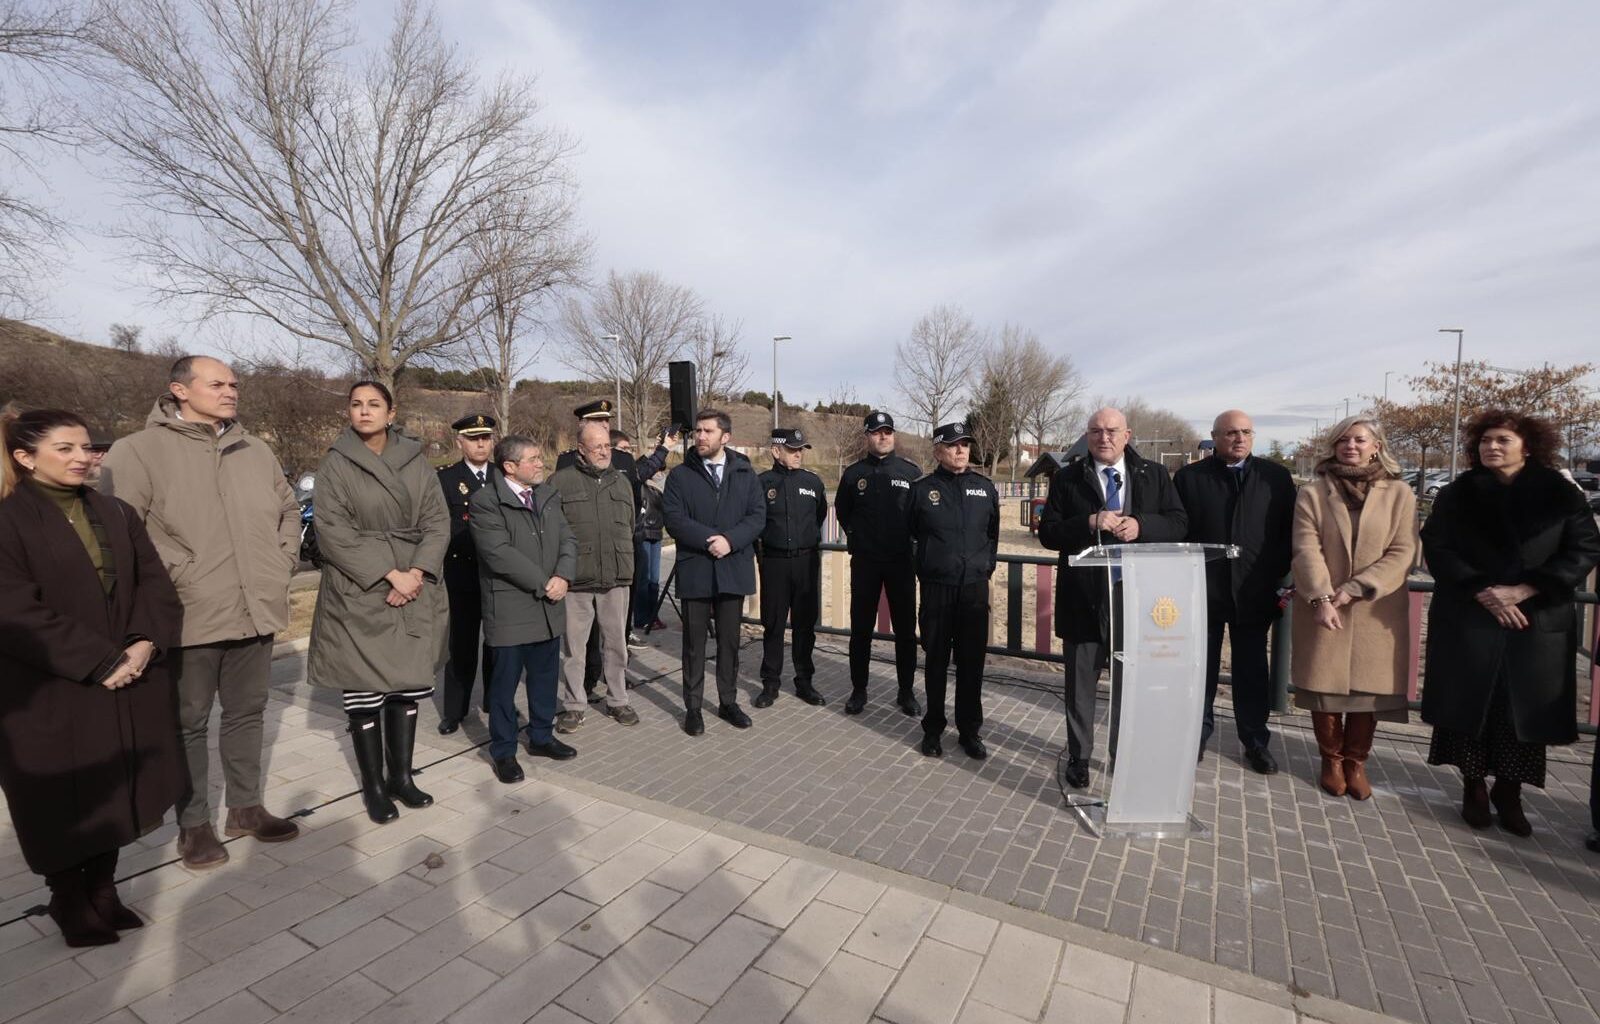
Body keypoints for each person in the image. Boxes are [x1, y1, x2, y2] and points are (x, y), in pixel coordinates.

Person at [101, 355, 302, 869]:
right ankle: (193, 825)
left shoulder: (254, 448)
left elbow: (286, 509)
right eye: (218, 384)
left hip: (255, 606)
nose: (231, 391)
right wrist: (179, 571)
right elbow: (122, 533)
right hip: (188, 613)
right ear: (180, 390)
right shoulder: (138, 452)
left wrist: (279, 563)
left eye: (235, 383)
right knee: (187, 722)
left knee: (247, 712)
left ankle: (246, 808)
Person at [0, 410, 183, 946]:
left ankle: (104, 888)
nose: (83, 457)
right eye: (65, 448)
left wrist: (145, 641)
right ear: (25, 457)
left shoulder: (116, 511)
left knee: (117, 785)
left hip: (128, 677)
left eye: (86, 446)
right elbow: (12, 610)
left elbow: (154, 582)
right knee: (58, 797)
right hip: (48, 687)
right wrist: (101, 661)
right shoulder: (8, 521)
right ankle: (68, 897)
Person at [1421, 410, 1600, 834]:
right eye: (1485, 440)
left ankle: (1509, 790)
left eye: (1502, 439)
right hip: (1471, 615)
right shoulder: (1457, 494)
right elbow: (1438, 548)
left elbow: (1584, 550)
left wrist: (1526, 589)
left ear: (1527, 445)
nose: (1491, 447)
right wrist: (1482, 589)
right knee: (1471, 703)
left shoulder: (1561, 494)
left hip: (1533, 620)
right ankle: (1472, 787)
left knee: (1520, 708)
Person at [305, 382, 450, 824]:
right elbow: (332, 530)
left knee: (407, 685)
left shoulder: (417, 461)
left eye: (374, 405)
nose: (364, 412)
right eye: (356, 405)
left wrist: (417, 573)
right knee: (365, 690)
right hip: (360, 586)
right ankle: (373, 785)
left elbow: (437, 521)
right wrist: (390, 573)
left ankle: (401, 777)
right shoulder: (335, 465)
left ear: (391, 412)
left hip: (414, 582)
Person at [1037, 407, 1187, 788]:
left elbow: (1179, 523)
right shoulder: (1068, 478)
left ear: (1127, 435)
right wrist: (1088, 522)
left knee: (1130, 685)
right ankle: (1079, 757)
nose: (1103, 437)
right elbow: (1049, 533)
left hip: (1137, 600)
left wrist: (1142, 526)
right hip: (1083, 598)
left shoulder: (1153, 475)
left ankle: (1124, 755)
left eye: (1111, 431)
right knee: (1080, 687)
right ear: (1087, 436)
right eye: (1095, 431)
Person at [1290, 415, 1417, 801]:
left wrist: (1356, 588)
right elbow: (1305, 547)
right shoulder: (1314, 493)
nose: (1351, 446)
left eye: (1360, 440)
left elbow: (1404, 550)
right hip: (1323, 606)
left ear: (1376, 445)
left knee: (1367, 689)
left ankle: (1356, 762)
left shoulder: (1399, 494)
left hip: (1375, 607)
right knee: (1325, 686)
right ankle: (1330, 760)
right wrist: (1323, 596)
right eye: (1343, 440)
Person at [1173, 410, 1296, 774]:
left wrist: (1278, 578)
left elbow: (1288, 533)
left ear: (1253, 436)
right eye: (1230, 433)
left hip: (1254, 593)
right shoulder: (1189, 478)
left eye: (1245, 432)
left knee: (1252, 672)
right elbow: (1178, 531)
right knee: (1200, 671)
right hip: (1203, 593)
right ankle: (1195, 736)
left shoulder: (1275, 477)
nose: (1238, 439)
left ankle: (1255, 741)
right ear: (1214, 437)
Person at [470, 436, 578, 782]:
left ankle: (542, 736)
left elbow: (567, 539)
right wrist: (544, 582)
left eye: (539, 456)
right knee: (504, 688)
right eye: (532, 459)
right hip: (512, 608)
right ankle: (503, 751)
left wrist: (564, 574)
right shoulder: (487, 501)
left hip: (549, 606)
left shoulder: (546, 494)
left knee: (545, 679)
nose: (540, 463)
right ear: (510, 467)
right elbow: (498, 553)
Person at [556, 402, 674, 698]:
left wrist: (664, 448)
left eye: (607, 421)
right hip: (582, 563)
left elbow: (630, 505)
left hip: (619, 557)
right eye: (597, 420)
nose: (605, 425)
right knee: (582, 636)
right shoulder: (565, 464)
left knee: (615, 631)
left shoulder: (621, 459)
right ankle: (586, 680)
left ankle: (616, 687)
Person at [662, 408, 765, 735]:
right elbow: (675, 519)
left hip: (732, 568)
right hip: (697, 568)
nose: (701, 437)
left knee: (730, 643)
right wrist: (711, 541)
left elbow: (757, 516)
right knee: (694, 644)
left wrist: (730, 541)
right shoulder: (681, 475)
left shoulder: (745, 472)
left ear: (726, 436)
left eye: (708, 431)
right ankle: (693, 707)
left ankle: (728, 701)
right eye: (698, 431)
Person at [908, 422, 1000, 758]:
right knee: (935, 662)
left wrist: (983, 568)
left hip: (973, 591)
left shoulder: (985, 488)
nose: (961, 451)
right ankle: (933, 729)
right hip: (936, 589)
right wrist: (928, 567)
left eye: (965, 445)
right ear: (937, 450)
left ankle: (969, 731)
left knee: (971, 664)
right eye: (952, 445)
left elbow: (993, 535)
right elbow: (910, 535)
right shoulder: (921, 490)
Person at [548, 421, 641, 730]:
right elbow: (551, 533)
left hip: (615, 577)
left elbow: (629, 525)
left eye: (607, 446)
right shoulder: (560, 482)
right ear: (581, 450)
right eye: (596, 446)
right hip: (576, 580)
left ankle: (618, 701)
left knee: (616, 644)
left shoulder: (621, 482)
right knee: (575, 649)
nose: (603, 451)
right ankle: (574, 705)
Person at [835, 410, 921, 717]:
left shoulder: (912, 473)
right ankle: (859, 690)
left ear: (893, 435)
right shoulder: (853, 474)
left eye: (887, 432)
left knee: (906, 632)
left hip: (901, 562)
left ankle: (906, 691)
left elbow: (919, 515)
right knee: (861, 630)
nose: (882, 437)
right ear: (867, 436)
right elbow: (842, 511)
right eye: (876, 432)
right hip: (866, 563)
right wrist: (857, 537)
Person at [756, 428, 829, 708]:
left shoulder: (813, 482)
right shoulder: (762, 483)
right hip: (774, 562)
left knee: (804, 625)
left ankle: (804, 681)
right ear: (776, 451)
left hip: (805, 562)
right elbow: (755, 521)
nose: (798, 453)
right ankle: (770, 683)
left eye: (801, 449)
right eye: (792, 449)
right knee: (773, 624)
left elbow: (820, 514)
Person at [436, 413, 498, 735]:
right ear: (460, 442)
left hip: (499, 577)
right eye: (474, 438)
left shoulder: (504, 474)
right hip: (462, 574)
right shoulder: (446, 478)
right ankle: (455, 711)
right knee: (461, 646)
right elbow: (440, 528)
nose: (481, 443)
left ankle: (493, 700)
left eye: (486, 437)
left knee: (497, 643)